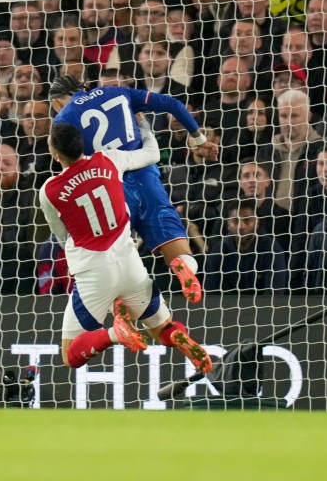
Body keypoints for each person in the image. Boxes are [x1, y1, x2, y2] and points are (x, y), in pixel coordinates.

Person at [40, 121, 212, 374]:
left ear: (56, 154)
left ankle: (113, 333)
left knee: (70, 354)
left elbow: (61, 234)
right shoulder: (108, 160)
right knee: (162, 327)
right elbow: (152, 153)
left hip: (93, 273)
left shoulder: (48, 191)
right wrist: (143, 125)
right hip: (130, 263)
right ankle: (178, 333)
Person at [49, 74, 218, 303]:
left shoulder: (62, 120)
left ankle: (120, 307)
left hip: (109, 189)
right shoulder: (118, 92)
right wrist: (198, 140)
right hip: (146, 176)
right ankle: (184, 267)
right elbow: (173, 104)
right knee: (172, 237)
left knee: (115, 259)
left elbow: (71, 162)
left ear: (57, 102)